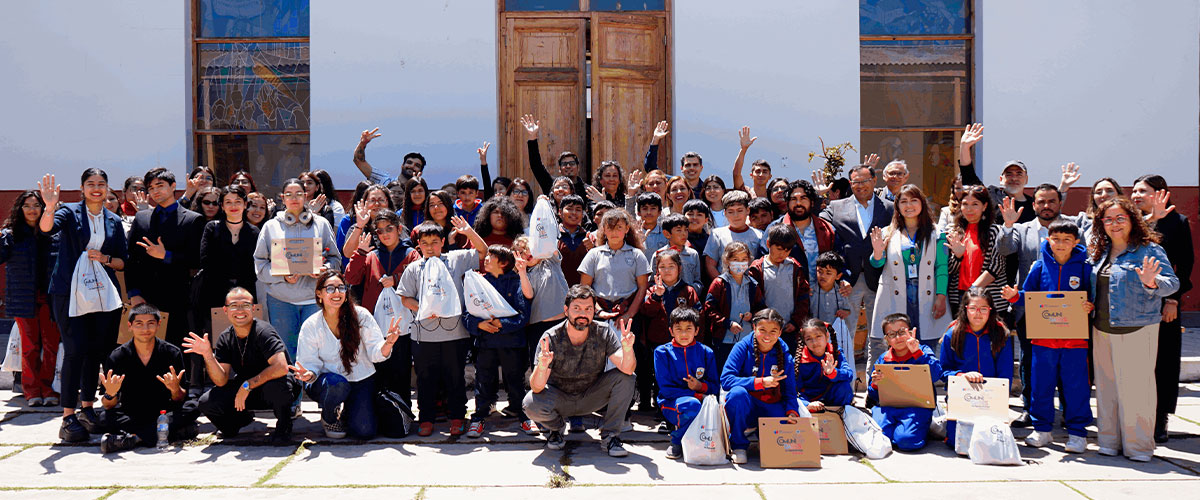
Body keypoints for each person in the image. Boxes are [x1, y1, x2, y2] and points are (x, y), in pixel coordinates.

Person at [38, 171, 128, 442]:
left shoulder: (113, 219)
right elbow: (46, 228)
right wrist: (50, 207)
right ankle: (68, 416)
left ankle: (87, 409)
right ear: (82, 188)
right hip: (69, 291)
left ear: (108, 188)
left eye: (101, 184)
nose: (96, 189)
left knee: (96, 351)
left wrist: (105, 258)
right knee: (75, 350)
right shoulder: (69, 212)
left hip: (103, 294)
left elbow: (122, 261)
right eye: (91, 185)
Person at [1088, 197, 1178, 462]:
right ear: (1101, 223)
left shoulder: (1148, 249)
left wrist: (1152, 282)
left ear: (1132, 220)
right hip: (1102, 328)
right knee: (1106, 388)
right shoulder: (1100, 251)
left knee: (1137, 390)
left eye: (1120, 218)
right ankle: (1108, 441)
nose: (1114, 224)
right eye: (1108, 219)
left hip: (1138, 327)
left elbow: (1172, 283)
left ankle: (1138, 447)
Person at [1001, 221, 1093, 453]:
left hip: (1075, 341)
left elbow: (1093, 297)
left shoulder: (1084, 267)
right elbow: (1028, 296)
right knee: (1041, 385)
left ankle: (1077, 433)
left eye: (1066, 240)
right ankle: (1042, 430)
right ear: (1047, 240)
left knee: (1075, 386)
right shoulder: (1039, 267)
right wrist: (1014, 296)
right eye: (1056, 239)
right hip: (1043, 340)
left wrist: (1089, 306)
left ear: (1076, 242)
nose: (1060, 244)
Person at [524, 285, 637, 456]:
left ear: (594, 311)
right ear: (566, 310)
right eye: (576, 308)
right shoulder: (550, 337)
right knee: (530, 403)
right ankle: (557, 428)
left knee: (627, 378)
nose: (582, 314)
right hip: (560, 398)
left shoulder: (603, 332)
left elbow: (627, 369)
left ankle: (611, 436)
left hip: (592, 396)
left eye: (588, 309)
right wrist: (542, 366)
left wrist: (628, 349)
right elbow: (537, 387)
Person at [1004, 183, 1082, 426]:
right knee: (1031, 362)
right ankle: (1031, 408)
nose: (1046, 206)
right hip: (1031, 308)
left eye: (1051, 201)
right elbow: (1005, 249)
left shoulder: (1074, 227)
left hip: (1069, 310)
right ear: (1033, 204)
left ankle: (1070, 412)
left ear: (1060, 203)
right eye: (1041, 201)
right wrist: (1007, 225)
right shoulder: (1022, 228)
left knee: (1068, 365)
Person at [293, 271, 402, 440]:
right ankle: (329, 417)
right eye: (330, 288)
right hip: (327, 382)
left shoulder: (361, 316)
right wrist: (308, 374)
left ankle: (349, 412)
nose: (337, 293)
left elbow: (375, 353)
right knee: (337, 385)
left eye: (341, 288)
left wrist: (388, 344)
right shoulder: (311, 325)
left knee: (364, 432)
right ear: (319, 294)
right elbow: (308, 363)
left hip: (360, 377)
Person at [397, 221, 481, 436]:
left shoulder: (455, 260)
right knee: (425, 378)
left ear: (443, 242)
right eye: (425, 243)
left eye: (435, 242)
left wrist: (468, 231)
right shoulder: (415, 268)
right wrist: (423, 307)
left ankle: (457, 416)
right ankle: (426, 418)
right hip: (423, 334)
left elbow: (483, 252)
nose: (430, 247)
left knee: (455, 376)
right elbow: (405, 298)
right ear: (419, 246)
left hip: (455, 332)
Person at [188, 288, 300, 444]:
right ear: (225, 310)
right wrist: (208, 355)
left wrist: (248, 385)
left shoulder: (263, 331)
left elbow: (281, 367)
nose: (240, 310)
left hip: (273, 386)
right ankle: (237, 422)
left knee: (279, 386)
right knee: (206, 402)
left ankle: (284, 425)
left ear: (253, 308)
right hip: (246, 390)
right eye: (234, 305)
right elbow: (221, 380)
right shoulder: (225, 337)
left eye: (245, 305)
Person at [1131, 175, 1194, 442]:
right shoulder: (1130, 222)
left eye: (1142, 191)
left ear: (1161, 193)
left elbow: (1184, 265)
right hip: (1132, 305)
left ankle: (1160, 419)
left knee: (1164, 363)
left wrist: (1172, 300)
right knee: (1136, 364)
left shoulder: (1177, 223)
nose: (1135, 195)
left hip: (1164, 304)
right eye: (1133, 191)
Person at [126, 167, 206, 377]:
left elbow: (198, 260)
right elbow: (130, 260)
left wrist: (166, 256)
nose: (155, 191)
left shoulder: (192, 219)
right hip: (145, 298)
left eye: (160, 186)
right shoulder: (142, 218)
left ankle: (179, 397)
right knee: (144, 349)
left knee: (177, 351)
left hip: (179, 297)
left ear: (173, 186)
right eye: (151, 188)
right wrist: (133, 293)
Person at [253, 178, 342, 359]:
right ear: (282, 198)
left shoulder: (321, 224)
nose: (294, 198)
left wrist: (323, 270)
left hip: (313, 300)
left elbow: (335, 259)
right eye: (289, 194)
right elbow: (260, 265)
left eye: (299, 194)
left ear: (306, 196)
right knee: (286, 353)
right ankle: (292, 387)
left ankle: (310, 387)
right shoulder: (270, 227)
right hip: (281, 300)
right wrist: (282, 276)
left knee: (315, 351)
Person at [867, 184, 950, 373]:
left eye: (914, 200)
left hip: (925, 295)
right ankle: (887, 388)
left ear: (922, 204)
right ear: (897, 206)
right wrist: (877, 252)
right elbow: (877, 264)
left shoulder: (937, 234)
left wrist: (941, 296)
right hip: (895, 294)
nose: (909, 205)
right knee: (895, 342)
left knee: (924, 342)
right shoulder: (888, 232)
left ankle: (924, 386)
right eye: (903, 201)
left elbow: (942, 268)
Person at [96, 304, 199, 454]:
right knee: (105, 418)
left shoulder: (172, 353)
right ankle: (172, 433)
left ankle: (135, 438)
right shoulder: (117, 356)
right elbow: (108, 405)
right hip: (133, 413)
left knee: (193, 407)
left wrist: (175, 389)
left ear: (158, 325)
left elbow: (180, 399)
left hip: (164, 412)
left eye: (150, 323)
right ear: (130, 326)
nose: (145, 329)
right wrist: (110, 394)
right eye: (139, 324)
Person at [344, 209, 419, 400]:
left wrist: (397, 279)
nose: (385, 234)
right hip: (375, 325)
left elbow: (421, 279)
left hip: (402, 326)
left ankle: (402, 415)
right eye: (380, 231)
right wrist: (360, 252)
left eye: (389, 229)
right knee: (377, 371)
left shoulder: (411, 254)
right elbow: (351, 277)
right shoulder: (371, 255)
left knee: (401, 371)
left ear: (399, 229)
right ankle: (379, 414)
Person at [820, 164, 894, 354]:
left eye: (865, 181)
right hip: (847, 280)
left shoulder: (889, 209)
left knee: (880, 336)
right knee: (844, 336)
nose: (860, 186)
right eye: (855, 182)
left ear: (874, 181)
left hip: (880, 278)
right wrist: (819, 196)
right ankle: (846, 379)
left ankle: (876, 381)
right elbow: (817, 224)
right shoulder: (836, 207)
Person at [463, 245, 533, 438]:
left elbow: (523, 314)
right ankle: (479, 417)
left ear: (503, 262)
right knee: (483, 380)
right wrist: (479, 325)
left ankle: (522, 415)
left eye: (491, 257)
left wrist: (501, 324)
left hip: (513, 342)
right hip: (486, 342)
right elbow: (467, 312)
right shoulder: (478, 282)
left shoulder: (516, 282)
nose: (485, 259)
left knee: (515, 381)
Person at [1, 190, 59, 407]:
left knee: (51, 345)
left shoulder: (54, 231)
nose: (33, 210)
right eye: (27, 205)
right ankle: (32, 390)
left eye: (37, 205)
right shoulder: (11, 234)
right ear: (20, 209)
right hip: (23, 297)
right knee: (30, 346)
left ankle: (48, 388)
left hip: (51, 297)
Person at [721, 308, 800, 464]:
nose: (767, 336)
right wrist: (760, 382)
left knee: (783, 440)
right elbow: (726, 379)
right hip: (747, 403)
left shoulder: (785, 355)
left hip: (770, 404)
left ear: (780, 333)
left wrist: (792, 412)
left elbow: (790, 391)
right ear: (754, 328)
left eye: (773, 331)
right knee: (737, 395)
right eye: (762, 330)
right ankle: (739, 444)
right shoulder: (742, 347)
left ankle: (758, 432)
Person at [939, 289, 1014, 446]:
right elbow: (944, 371)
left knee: (991, 444)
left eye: (983, 309)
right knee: (958, 444)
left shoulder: (1001, 334)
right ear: (965, 309)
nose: (978, 314)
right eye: (972, 308)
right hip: (962, 398)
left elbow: (1005, 374)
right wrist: (961, 376)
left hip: (990, 399)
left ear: (991, 310)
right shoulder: (952, 334)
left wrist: (998, 400)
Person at [638, 248, 701, 417]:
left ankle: (673, 408)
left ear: (679, 268)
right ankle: (656, 406)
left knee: (676, 375)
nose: (667, 270)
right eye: (662, 267)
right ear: (657, 270)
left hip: (681, 343)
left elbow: (697, 314)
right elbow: (646, 311)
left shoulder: (688, 291)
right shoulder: (652, 290)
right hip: (656, 341)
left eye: (671, 266)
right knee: (657, 374)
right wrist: (657, 296)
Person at [868, 313, 941, 451]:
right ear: (886, 339)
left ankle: (916, 429)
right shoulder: (883, 359)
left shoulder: (923, 350)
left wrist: (917, 353)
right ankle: (898, 429)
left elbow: (936, 375)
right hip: (888, 408)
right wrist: (875, 385)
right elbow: (873, 395)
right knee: (880, 438)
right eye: (892, 334)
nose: (898, 338)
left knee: (906, 441)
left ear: (912, 332)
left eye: (902, 332)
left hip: (916, 407)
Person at [654, 307, 718, 460]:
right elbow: (666, 389)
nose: (683, 334)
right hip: (671, 402)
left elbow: (715, 386)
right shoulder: (662, 352)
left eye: (688, 328)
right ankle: (676, 441)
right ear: (671, 331)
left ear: (696, 331)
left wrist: (701, 386)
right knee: (691, 405)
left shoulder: (706, 352)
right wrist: (696, 394)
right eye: (678, 329)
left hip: (702, 400)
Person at [945, 185, 1011, 316]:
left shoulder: (995, 231)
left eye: (975, 204)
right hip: (959, 299)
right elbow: (948, 270)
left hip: (990, 300)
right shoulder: (953, 232)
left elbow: (996, 266)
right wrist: (958, 256)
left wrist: (972, 291)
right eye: (965, 204)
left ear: (984, 206)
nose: (969, 209)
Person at [578, 208, 651, 323]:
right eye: (610, 228)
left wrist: (629, 314)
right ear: (604, 230)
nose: (614, 232)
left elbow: (642, 287)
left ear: (627, 229)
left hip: (629, 314)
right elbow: (585, 287)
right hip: (599, 315)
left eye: (619, 227)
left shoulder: (637, 255)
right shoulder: (594, 254)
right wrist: (598, 311)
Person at [512, 234, 569, 376]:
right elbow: (529, 294)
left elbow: (548, 240)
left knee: (565, 364)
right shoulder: (523, 275)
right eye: (520, 252)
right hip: (538, 326)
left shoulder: (551, 261)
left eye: (527, 248)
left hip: (563, 322)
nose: (526, 253)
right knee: (540, 366)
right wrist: (522, 272)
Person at [748, 225, 811, 351]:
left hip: (789, 328)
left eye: (787, 250)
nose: (782, 253)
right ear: (768, 244)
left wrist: (795, 322)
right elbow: (753, 300)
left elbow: (803, 297)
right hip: (765, 330)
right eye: (779, 249)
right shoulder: (757, 269)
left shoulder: (795, 267)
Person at [762, 180, 836, 284]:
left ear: (812, 202)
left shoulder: (827, 229)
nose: (798, 203)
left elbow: (840, 261)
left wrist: (845, 281)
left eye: (803, 198)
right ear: (787, 203)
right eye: (793, 199)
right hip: (787, 294)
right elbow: (762, 263)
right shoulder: (774, 229)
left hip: (822, 295)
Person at [703, 242, 764, 366]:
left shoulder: (753, 284)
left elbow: (761, 308)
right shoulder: (719, 283)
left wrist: (752, 315)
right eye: (735, 259)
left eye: (743, 260)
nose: (740, 263)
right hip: (724, 340)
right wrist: (728, 323)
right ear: (727, 260)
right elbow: (709, 310)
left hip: (748, 339)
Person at [795, 319, 854, 412]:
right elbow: (795, 389)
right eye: (809, 339)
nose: (814, 342)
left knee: (844, 387)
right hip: (809, 401)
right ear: (804, 341)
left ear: (827, 336)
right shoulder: (800, 360)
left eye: (818, 336)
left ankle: (841, 415)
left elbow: (849, 375)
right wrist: (807, 404)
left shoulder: (835, 352)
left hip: (832, 397)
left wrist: (833, 373)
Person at [703, 190, 763, 280]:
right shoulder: (717, 235)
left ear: (747, 210)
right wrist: (722, 285)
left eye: (740, 210)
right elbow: (710, 265)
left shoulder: (759, 235)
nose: (736, 215)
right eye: (731, 212)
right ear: (725, 213)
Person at [338, 183, 396, 260]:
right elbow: (348, 253)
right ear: (365, 204)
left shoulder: (397, 225)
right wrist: (360, 226)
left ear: (388, 202)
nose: (377, 204)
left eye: (381, 200)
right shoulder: (358, 227)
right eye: (372, 200)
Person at [353, 126, 426, 186]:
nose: (412, 166)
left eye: (417, 165)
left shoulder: (420, 193)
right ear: (402, 165)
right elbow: (359, 161)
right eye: (409, 162)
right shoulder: (383, 180)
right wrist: (363, 143)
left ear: (421, 172)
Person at [651, 213, 702, 292]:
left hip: (688, 300)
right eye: (679, 230)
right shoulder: (659, 254)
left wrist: (691, 291)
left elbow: (697, 281)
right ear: (667, 234)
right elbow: (651, 282)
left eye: (686, 230)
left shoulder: (693, 254)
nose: (684, 234)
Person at [557, 194, 594, 286]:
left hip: (582, 292)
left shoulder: (590, 237)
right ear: (560, 212)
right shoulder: (553, 235)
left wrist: (593, 249)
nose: (574, 212)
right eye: (569, 208)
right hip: (556, 291)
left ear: (583, 214)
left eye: (578, 210)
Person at [731, 126, 772, 198]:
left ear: (770, 176)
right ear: (751, 175)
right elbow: (736, 174)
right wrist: (744, 149)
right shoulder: (746, 192)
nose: (761, 174)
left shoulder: (772, 196)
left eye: (765, 172)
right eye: (758, 171)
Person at [636, 192, 668, 263]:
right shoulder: (634, 234)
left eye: (653, 208)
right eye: (645, 208)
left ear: (659, 212)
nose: (649, 212)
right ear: (638, 212)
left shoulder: (666, 234)